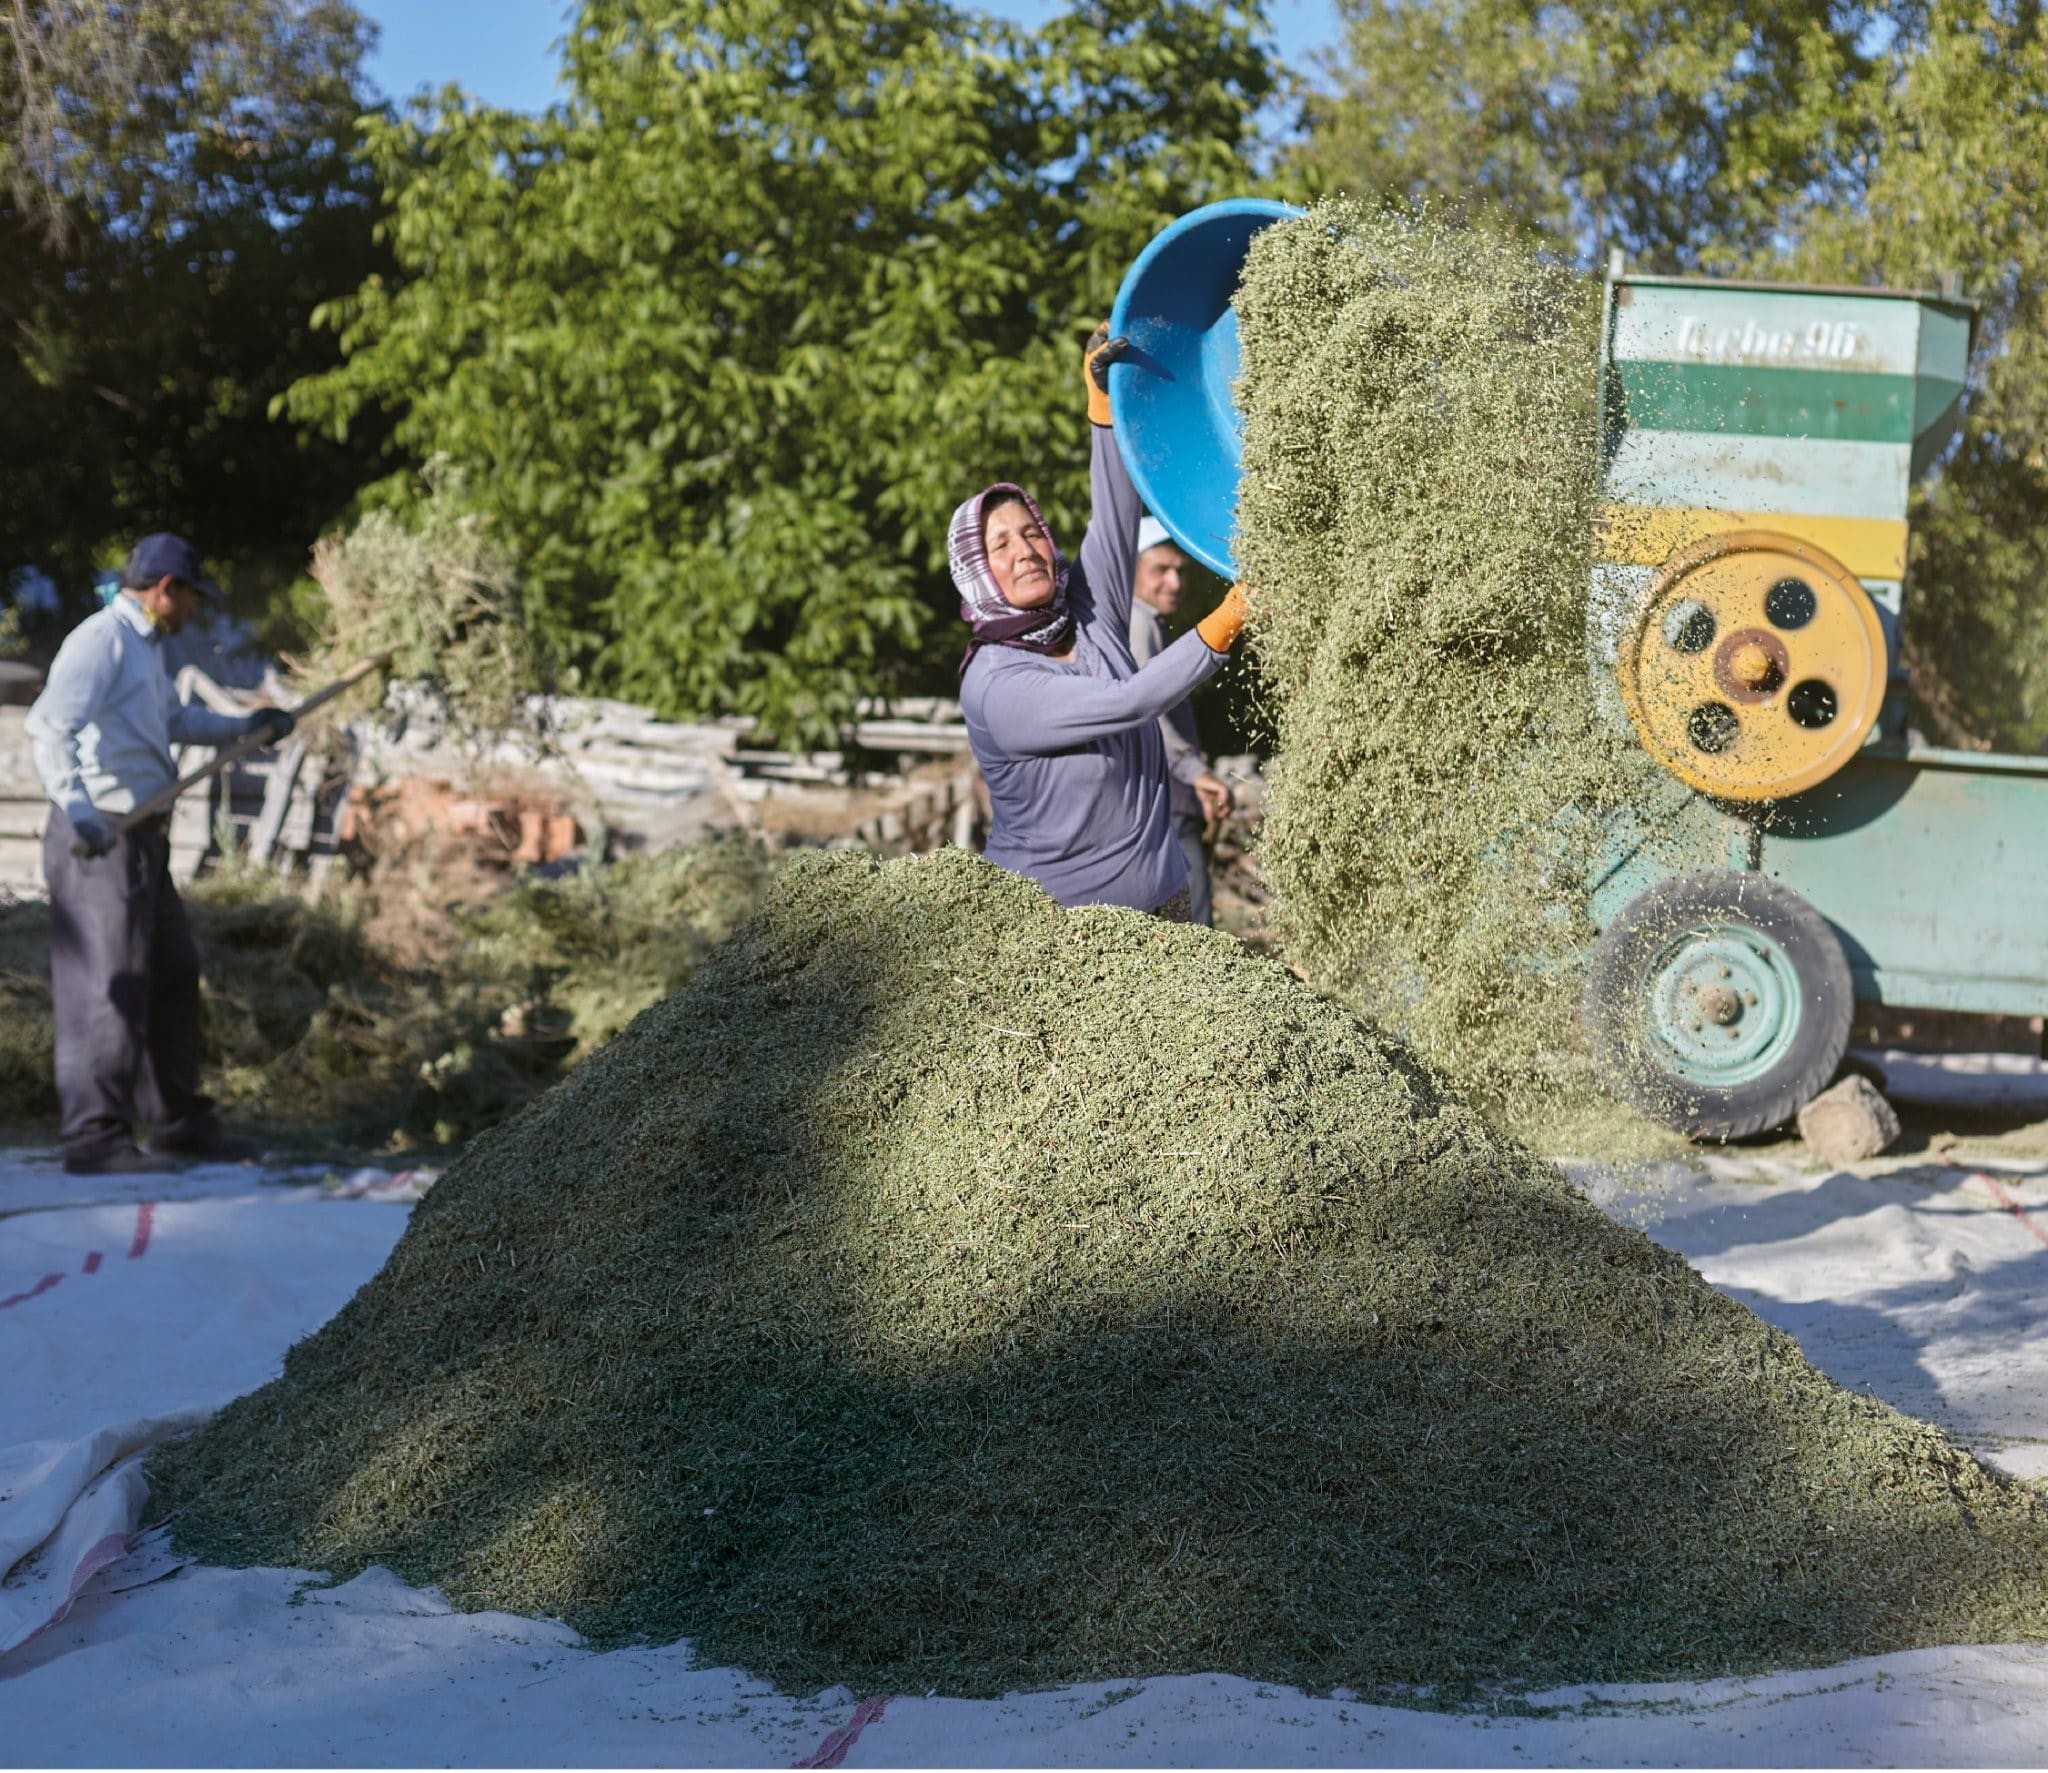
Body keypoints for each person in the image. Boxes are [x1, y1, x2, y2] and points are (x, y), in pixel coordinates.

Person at [954, 330, 1249, 916]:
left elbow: (1116, 514)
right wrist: (1225, 621)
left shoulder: (1088, 614)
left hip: (1166, 905)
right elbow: (1128, 702)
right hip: (1062, 936)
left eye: (1031, 531)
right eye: (1000, 545)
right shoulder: (995, 685)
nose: (1025, 551)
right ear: (976, 573)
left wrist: (1104, 408)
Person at [25, 534, 295, 1174]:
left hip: (142, 839)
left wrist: (244, 728)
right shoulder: (101, 640)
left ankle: (178, 1124)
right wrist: (81, 810)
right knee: (107, 984)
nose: (196, 612)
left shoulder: (147, 651)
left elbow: (170, 722)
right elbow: (47, 726)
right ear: (165, 589)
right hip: (99, 838)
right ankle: (94, 1138)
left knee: (173, 971)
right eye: (193, 598)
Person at [1127, 517, 1234, 926]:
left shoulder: (1151, 624)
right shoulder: (1138, 626)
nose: (1173, 582)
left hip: (1171, 797)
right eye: (1160, 570)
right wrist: (1195, 773)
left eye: (1180, 571)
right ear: (1133, 570)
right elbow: (1148, 710)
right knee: (1190, 924)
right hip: (1166, 803)